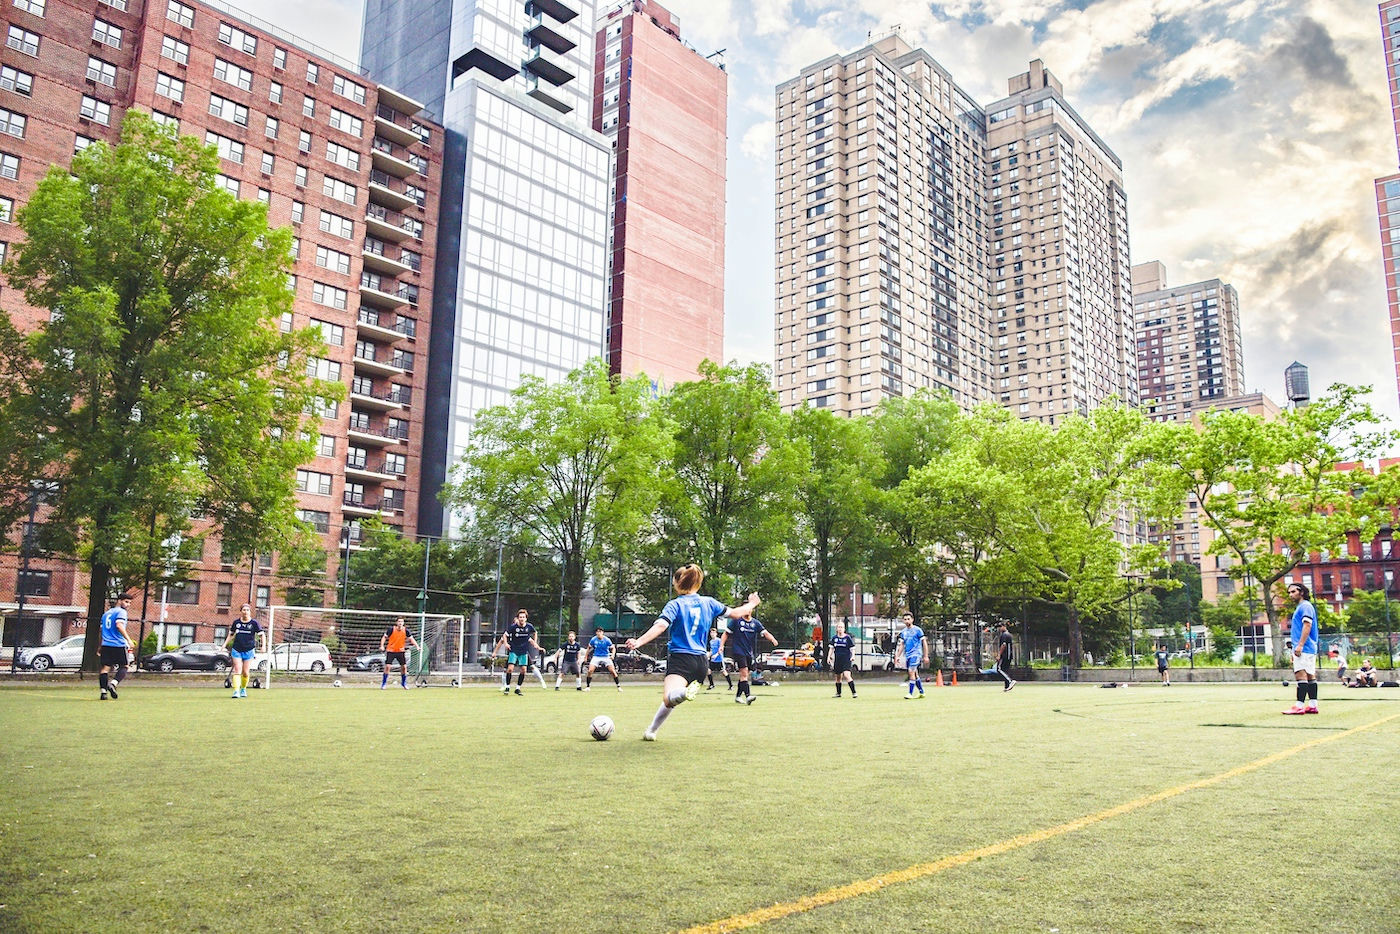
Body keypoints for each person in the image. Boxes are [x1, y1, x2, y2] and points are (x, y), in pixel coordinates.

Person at [626, 563, 759, 740]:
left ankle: (682, 693)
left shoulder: (675, 605)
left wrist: (639, 641)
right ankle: (651, 730)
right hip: (701, 663)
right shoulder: (709, 602)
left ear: (676, 583)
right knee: (671, 700)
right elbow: (736, 613)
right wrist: (751, 603)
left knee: (669, 698)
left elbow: (660, 625)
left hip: (681, 658)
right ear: (698, 583)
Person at [719, 602, 778, 705]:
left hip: (748, 653)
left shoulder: (755, 623)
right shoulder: (736, 621)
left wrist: (772, 639)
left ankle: (738, 696)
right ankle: (748, 696)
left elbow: (765, 632)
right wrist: (721, 645)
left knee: (744, 675)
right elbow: (726, 633)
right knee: (744, 672)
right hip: (738, 651)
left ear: (751, 610)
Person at [1283, 582, 1319, 714]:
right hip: (1309, 647)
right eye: (1289, 593)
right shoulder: (1304, 607)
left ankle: (1299, 706)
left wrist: (1300, 645)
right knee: (1310, 675)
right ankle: (1313, 705)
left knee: (1300, 674)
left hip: (1304, 647)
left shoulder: (1305, 606)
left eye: (1293, 592)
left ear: (1301, 592)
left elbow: (1307, 626)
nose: (1290, 595)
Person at [493, 609, 541, 696]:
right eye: (520, 617)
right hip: (514, 650)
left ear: (526, 618)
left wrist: (535, 643)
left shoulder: (529, 627)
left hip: (523, 651)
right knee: (510, 668)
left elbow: (535, 632)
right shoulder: (513, 627)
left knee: (523, 670)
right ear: (518, 618)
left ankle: (518, 688)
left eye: (523, 617)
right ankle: (507, 687)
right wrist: (506, 643)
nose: (522, 619)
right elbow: (505, 635)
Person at [223, 603, 264, 699]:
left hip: (249, 650)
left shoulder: (254, 623)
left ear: (250, 612)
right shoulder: (236, 623)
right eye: (244, 610)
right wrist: (224, 645)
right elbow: (231, 634)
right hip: (237, 649)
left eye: (247, 610)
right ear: (241, 611)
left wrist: (263, 646)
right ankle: (236, 691)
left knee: (245, 672)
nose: (245, 612)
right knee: (237, 669)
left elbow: (262, 635)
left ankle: (243, 689)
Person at [98, 593, 134, 701]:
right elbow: (119, 625)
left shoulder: (106, 614)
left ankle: (103, 692)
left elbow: (101, 631)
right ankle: (113, 684)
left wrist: (99, 646)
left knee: (105, 669)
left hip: (106, 645)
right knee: (125, 666)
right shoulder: (121, 612)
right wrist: (128, 639)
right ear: (119, 601)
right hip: (118, 644)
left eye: (130, 603)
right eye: (126, 602)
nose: (128, 605)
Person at [379, 617, 420, 690]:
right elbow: (384, 637)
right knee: (388, 666)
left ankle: (404, 683)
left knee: (404, 667)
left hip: (400, 651)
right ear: (396, 622)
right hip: (391, 651)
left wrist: (417, 646)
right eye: (399, 621)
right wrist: (382, 645)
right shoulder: (391, 629)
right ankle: (384, 683)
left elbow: (411, 639)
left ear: (403, 623)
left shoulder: (406, 630)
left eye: (402, 621)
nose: (400, 623)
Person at [895, 613, 929, 698]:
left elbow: (924, 642)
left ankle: (910, 693)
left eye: (908, 619)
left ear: (912, 619)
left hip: (916, 654)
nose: (907, 621)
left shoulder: (918, 630)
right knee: (915, 674)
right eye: (905, 619)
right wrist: (897, 656)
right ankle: (921, 692)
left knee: (911, 672)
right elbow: (902, 644)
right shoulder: (903, 632)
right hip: (908, 655)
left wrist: (925, 656)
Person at [584, 627, 622, 692]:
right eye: (597, 632)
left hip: (606, 656)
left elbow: (613, 648)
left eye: (600, 632)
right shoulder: (593, 639)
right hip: (596, 656)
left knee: (612, 671)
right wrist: (585, 657)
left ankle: (618, 686)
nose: (599, 633)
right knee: (590, 670)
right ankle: (588, 687)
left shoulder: (607, 640)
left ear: (602, 632)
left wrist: (612, 655)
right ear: (596, 633)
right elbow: (588, 648)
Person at [828, 621, 857, 698]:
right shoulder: (834, 638)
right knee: (838, 677)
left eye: (841, 627)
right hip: (838, 659)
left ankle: (854, 692)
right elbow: (831, 649)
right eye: (839, 627)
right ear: (836, 629)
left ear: (844, 629)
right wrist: (828, 657)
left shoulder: (847, 638)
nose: (840, 629)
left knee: (847, 675)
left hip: (846, 659)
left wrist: (853, 656)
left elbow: (852, 648)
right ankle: (838, 693)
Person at [994, 623, 1016, 692]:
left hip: (1005, 655)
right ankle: (1007, 686)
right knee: (1005, 670)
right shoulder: (1009, 635)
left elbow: (1004, 645)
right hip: (1009, 655)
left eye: (1000, 627)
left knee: (999, 669)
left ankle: (1010, 681)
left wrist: (999, 654)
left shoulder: (1004, 635)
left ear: (1004, 627)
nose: (999, 629)